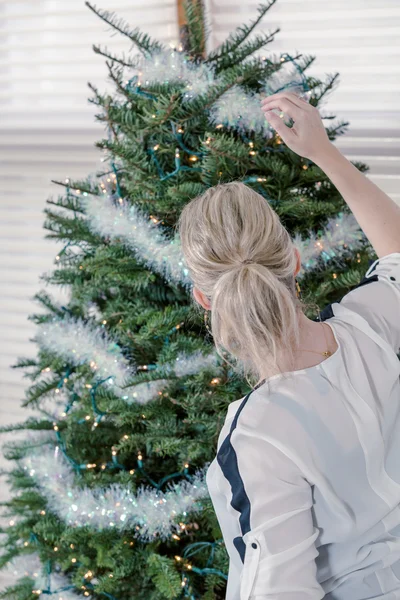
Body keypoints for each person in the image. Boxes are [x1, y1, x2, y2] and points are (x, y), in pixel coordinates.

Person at [177, 91, 400, 600]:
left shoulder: (258, 437)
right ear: (295, 262)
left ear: (203, 299)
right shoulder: (370, 325)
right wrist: (324, 152)